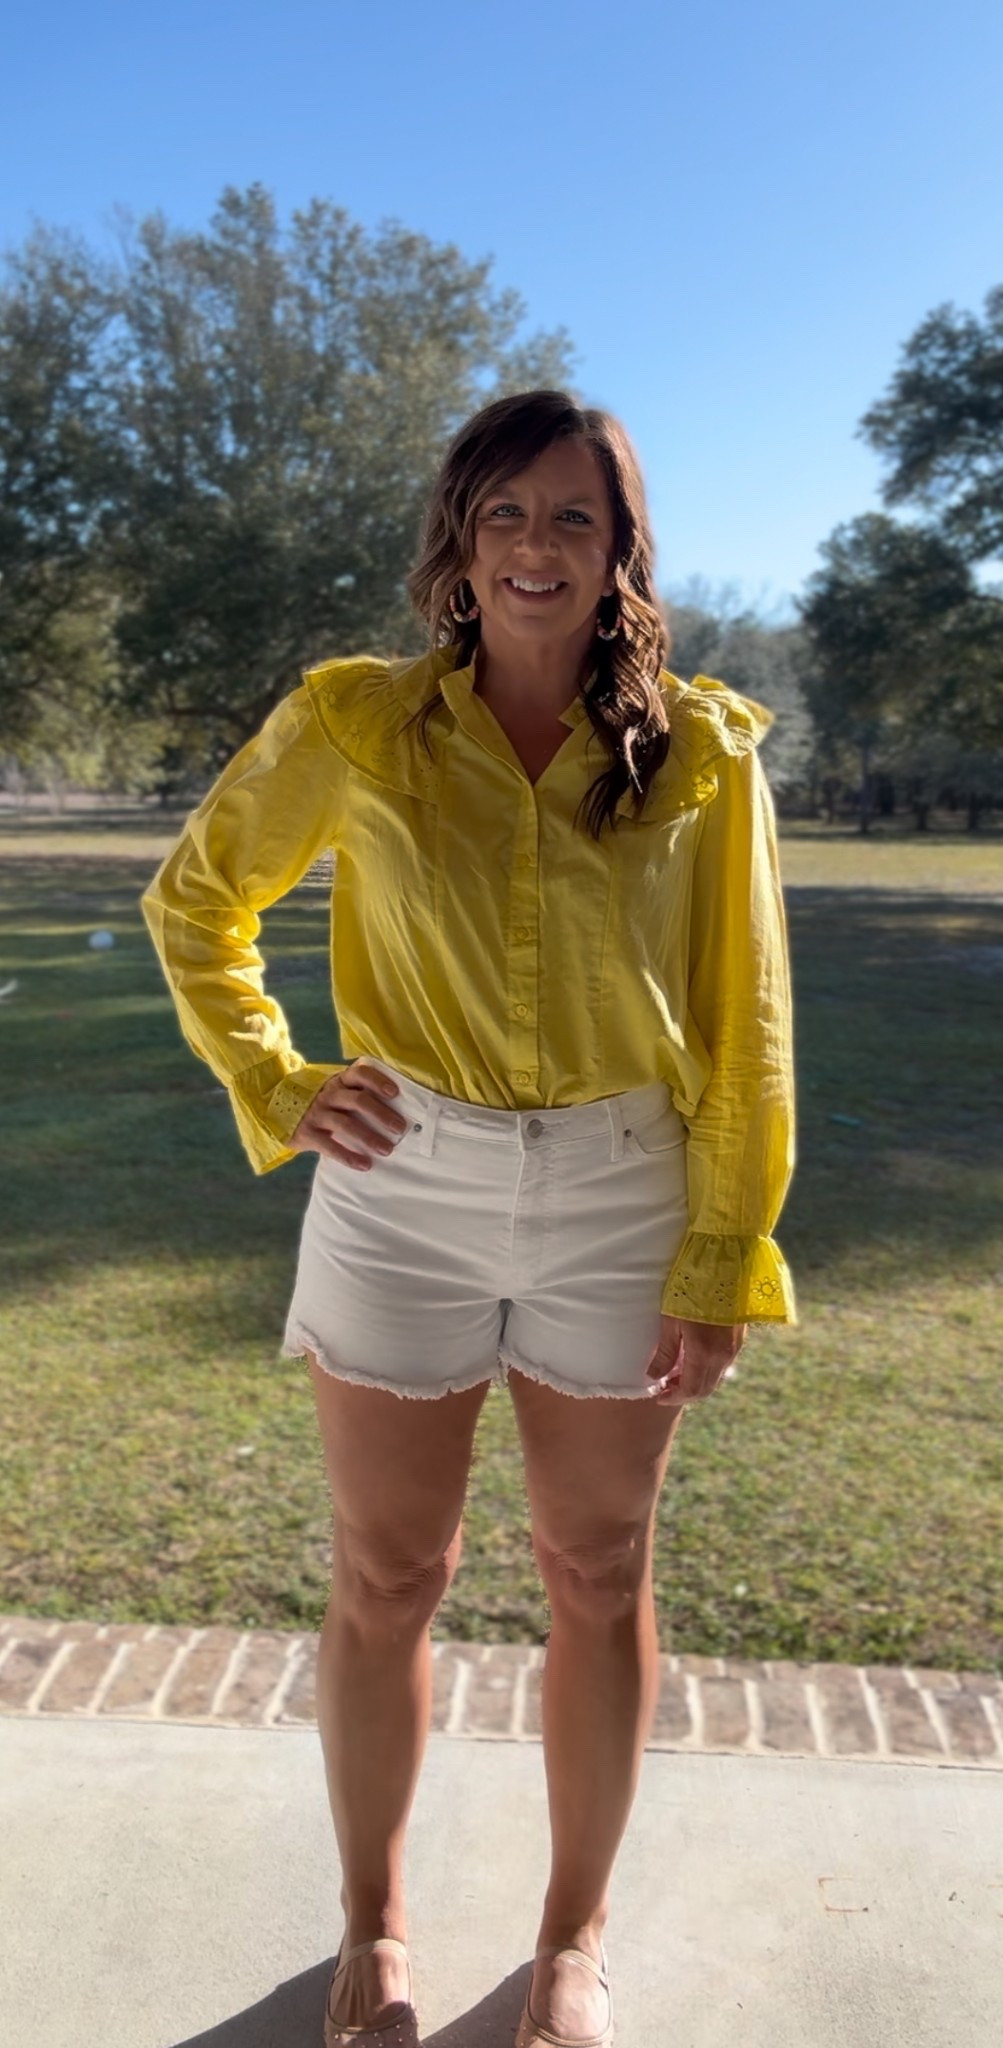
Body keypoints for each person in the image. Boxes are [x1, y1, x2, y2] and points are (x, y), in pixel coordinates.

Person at [140, 387, 796, 2048]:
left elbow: (748, 1022)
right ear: (460, 537)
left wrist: (724, 1246)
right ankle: (373, 1934)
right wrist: (278, 1079)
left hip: (622, 1191)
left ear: (620, 546)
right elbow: (199, 900)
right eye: (504, 513)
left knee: (599, 1565)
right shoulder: (359, 721)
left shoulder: (702, 755)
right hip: (400, 1187)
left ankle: (572, 1948)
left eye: (573, 516)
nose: (534, 547)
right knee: (387, 1571)